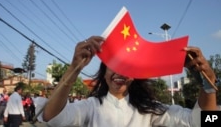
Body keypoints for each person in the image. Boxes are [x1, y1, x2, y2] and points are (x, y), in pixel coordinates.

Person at [39, 36, 218, 127]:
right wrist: (74, 69)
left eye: (127, 67)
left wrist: (207, 84)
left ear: (136, 75)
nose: (120, 73)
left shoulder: (149, 110)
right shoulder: (90, 107)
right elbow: (52, 118)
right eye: (114, 65)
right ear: (104, 72)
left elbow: (207, 122)